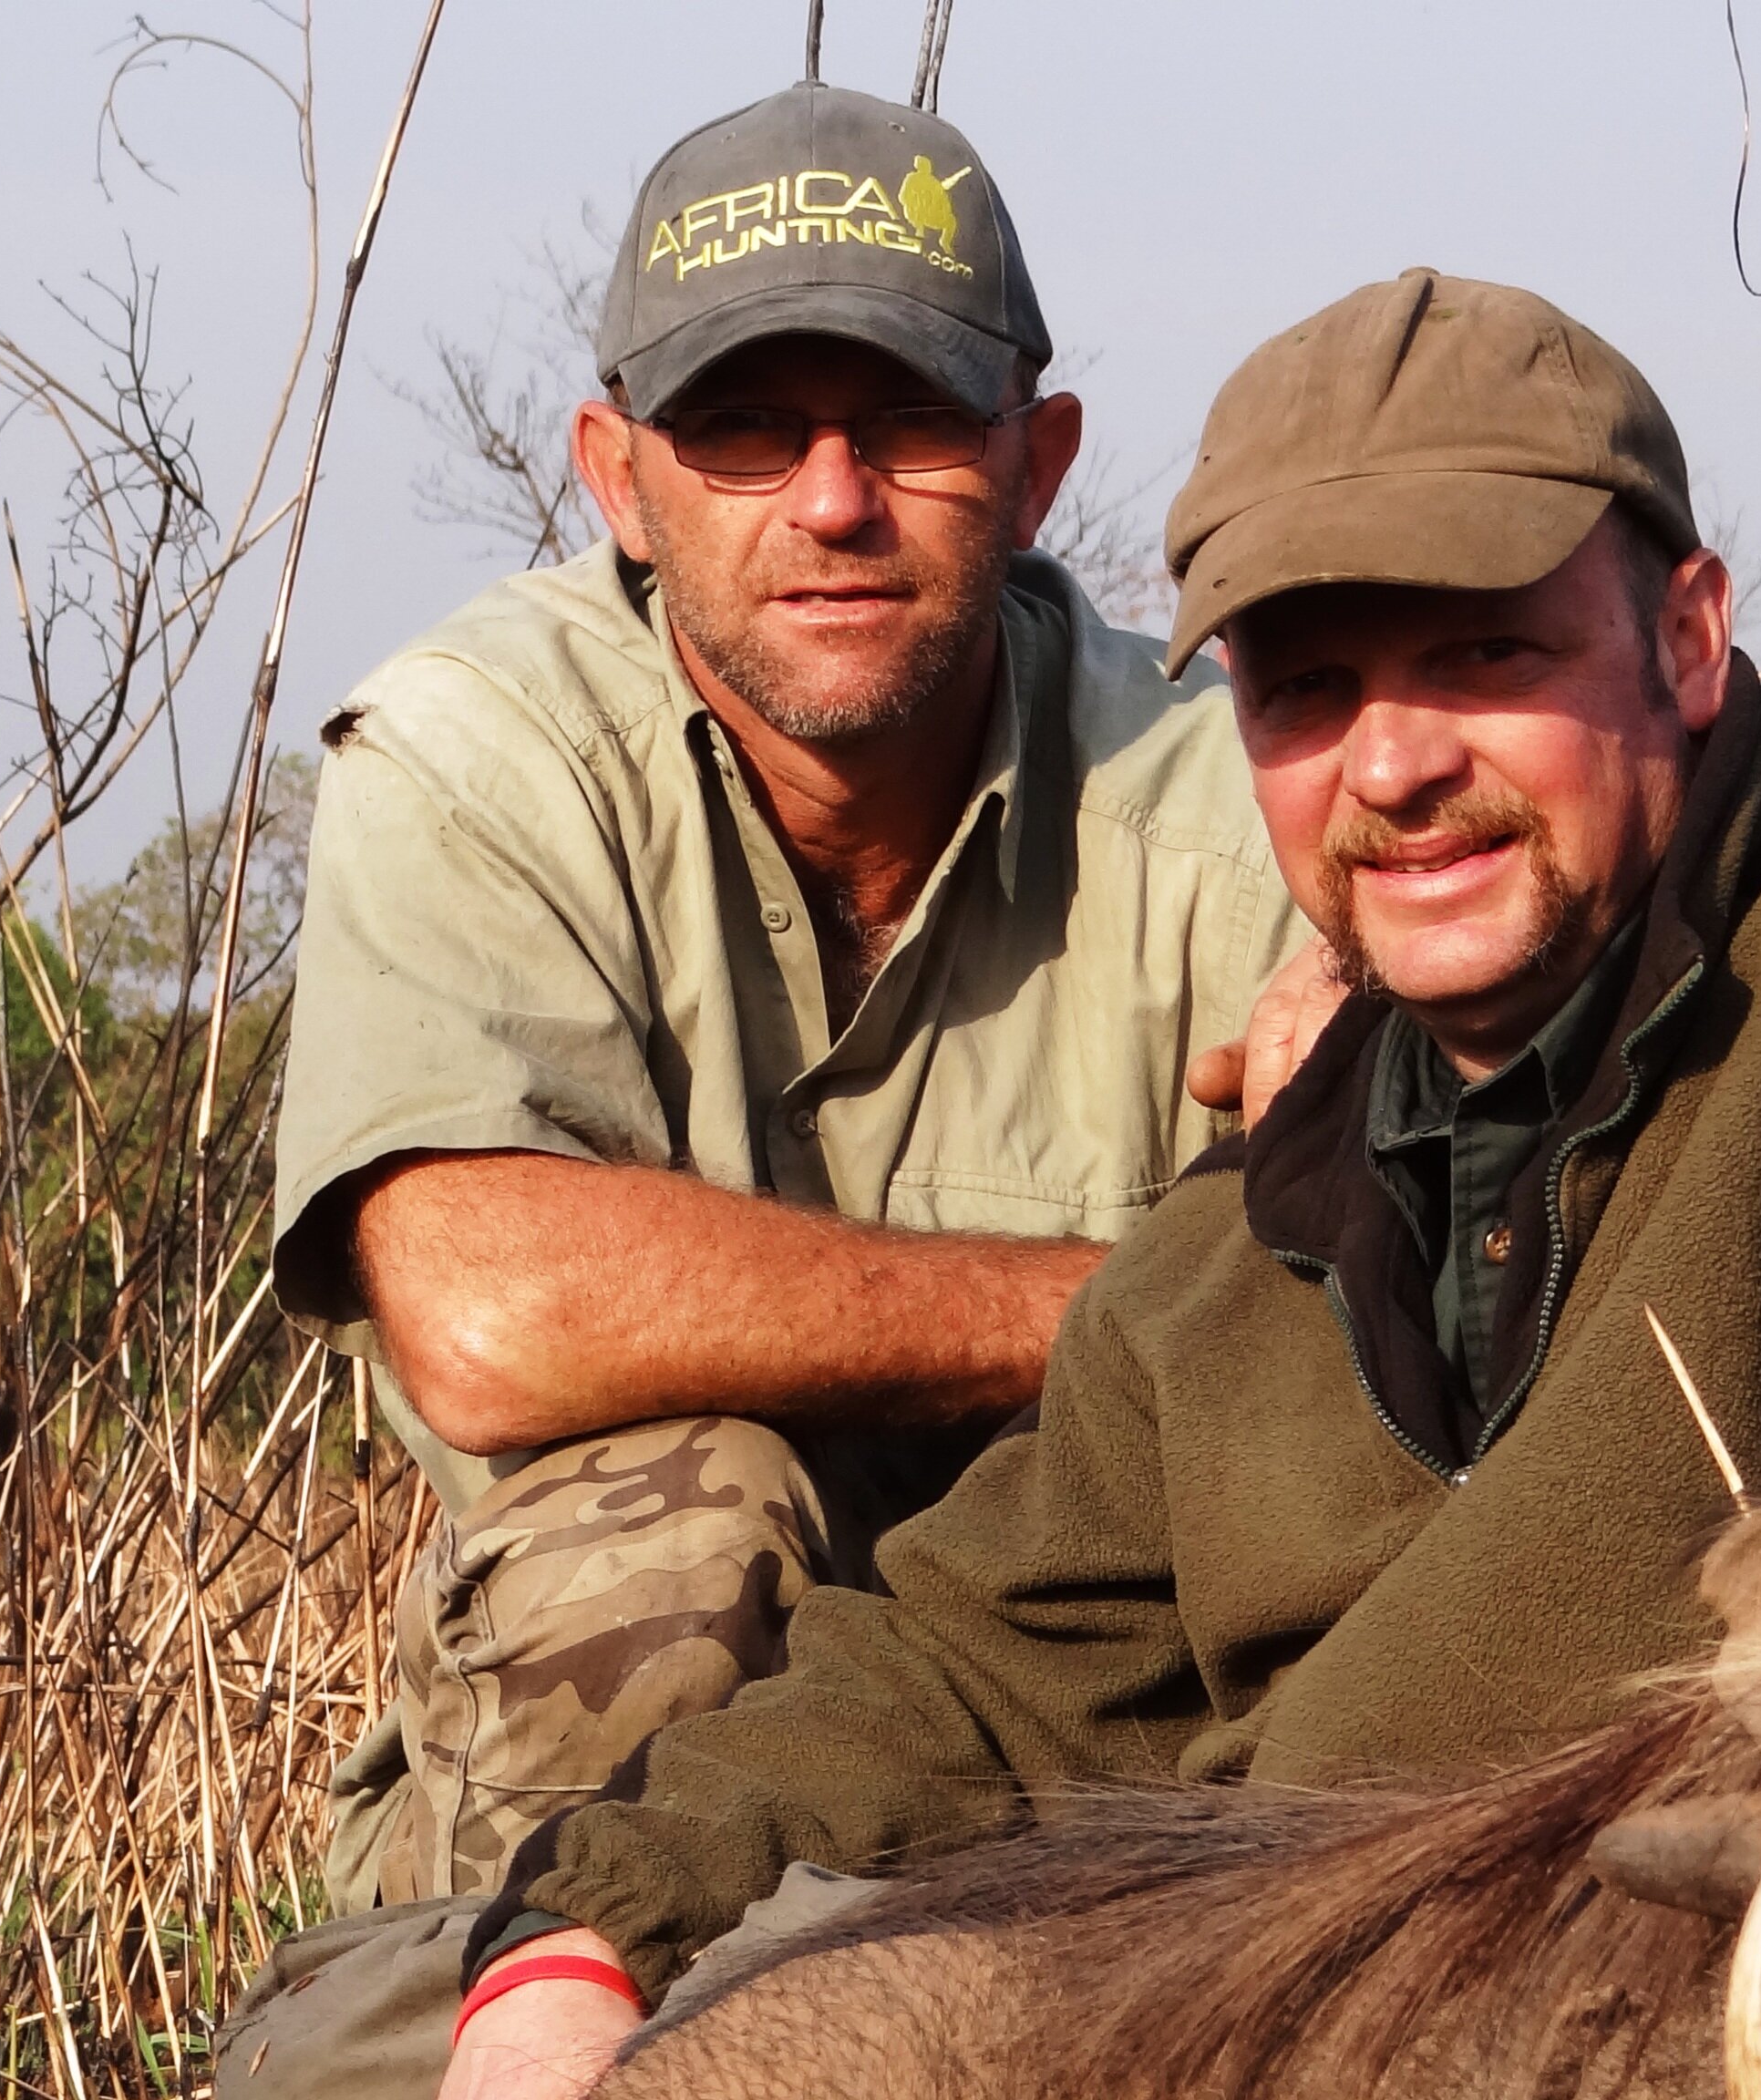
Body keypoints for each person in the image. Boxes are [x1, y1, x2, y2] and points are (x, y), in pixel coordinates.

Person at [217, 269, 1761, 2100]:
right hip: (1225, 1971)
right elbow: (975, 1660)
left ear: (1687, 642)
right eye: (1309, 691)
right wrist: (588, 1936)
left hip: (1609, 2054)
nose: (1392, 766)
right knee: (344, 2078)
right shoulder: (1294, 1174)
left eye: (1485, 655)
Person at [270, 77, 1307, 1919]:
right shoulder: (476, 751)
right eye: (745, 429)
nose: (832, 501)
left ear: (1040, 461)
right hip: (627, 1775)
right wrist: (1137, 1311)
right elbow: (484, 1310)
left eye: (908, 422)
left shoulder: (1251, 804)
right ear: (620, 478)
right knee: (684, 1519)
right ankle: (514, 2077)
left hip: (1080, 1745)